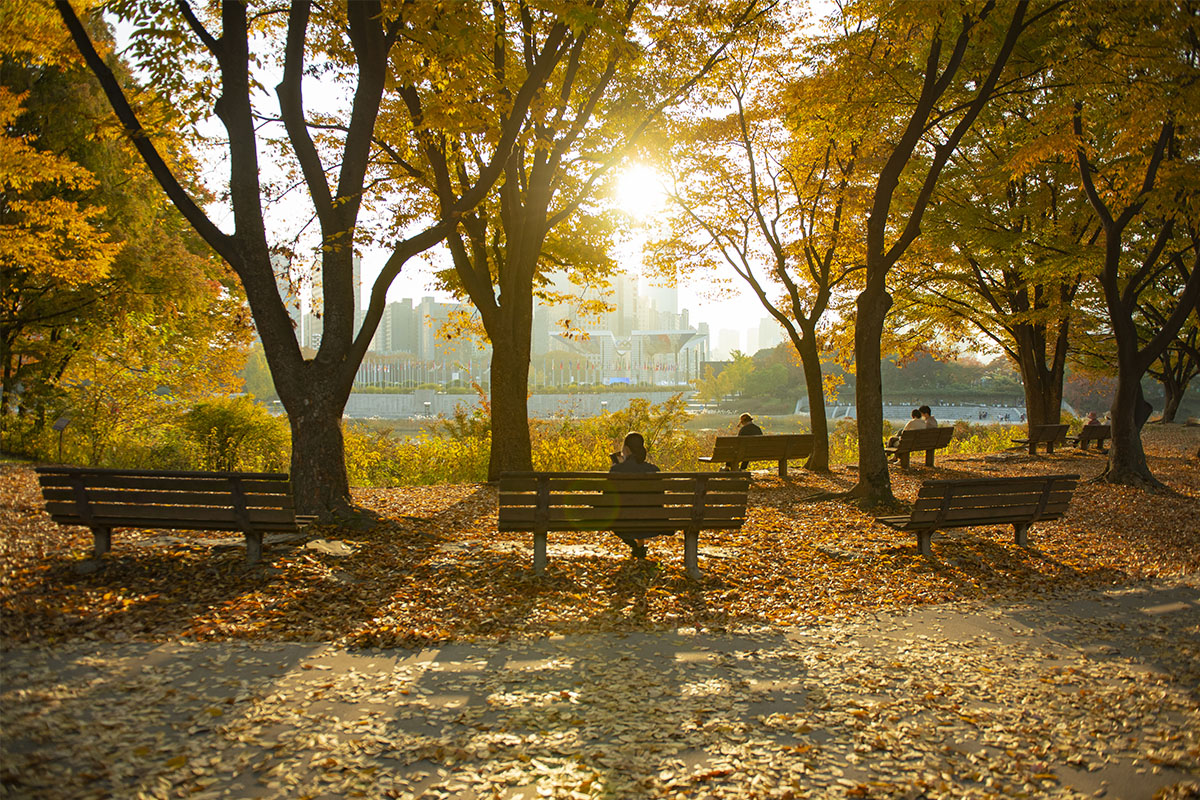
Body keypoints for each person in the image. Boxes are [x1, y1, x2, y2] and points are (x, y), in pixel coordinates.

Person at [608, 432, 660, 559]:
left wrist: (617, 467)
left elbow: (608, 498)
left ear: (626, 449)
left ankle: (636, 546)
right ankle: (639, 547)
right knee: (640, 513)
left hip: (622, 520)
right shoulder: (654, 470)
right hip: (652, 521)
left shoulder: (617, 470)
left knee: (614, 517)